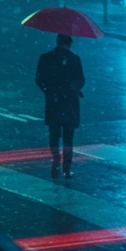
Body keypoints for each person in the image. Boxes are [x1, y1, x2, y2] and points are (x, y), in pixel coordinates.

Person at [35, 34, 85, 179]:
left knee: (54, 134)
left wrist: (48, 91)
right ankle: (67, 168)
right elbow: (81, 80)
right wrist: (73, 88)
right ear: (70, 44)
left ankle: (56, 159)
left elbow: (39, 79)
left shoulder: (45, 58)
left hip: (53, 102)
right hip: (70, 103)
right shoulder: (75, 59)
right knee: (68, 137)